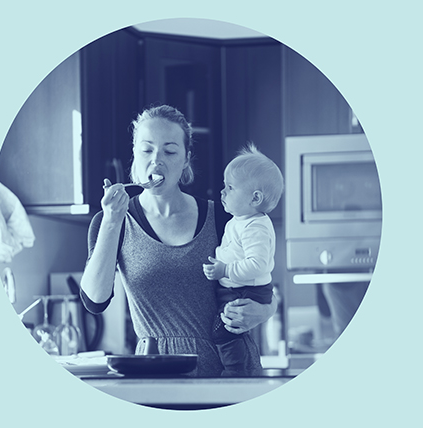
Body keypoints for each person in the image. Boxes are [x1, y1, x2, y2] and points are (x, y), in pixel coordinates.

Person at [79, 105, 277, 377]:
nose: (157, 160)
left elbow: (262, 280)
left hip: (228, 375)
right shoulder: (111, 221)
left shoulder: (221, 215)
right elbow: (94, 301)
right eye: (146, 150)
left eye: (170, 151)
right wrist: (113, 220)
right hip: (154, 378)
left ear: (186, 160)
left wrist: (266, 310)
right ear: (134, 154)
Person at [203, 144, 283, 376]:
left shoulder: (254, 226)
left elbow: (258, 265)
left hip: (246, 291)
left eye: (230, 188)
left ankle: (236, 372)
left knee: (225, 330)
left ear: (255, 198)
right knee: (228, 331)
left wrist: (225, 270)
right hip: (240, 288)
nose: (222, 193)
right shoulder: (239, 220)